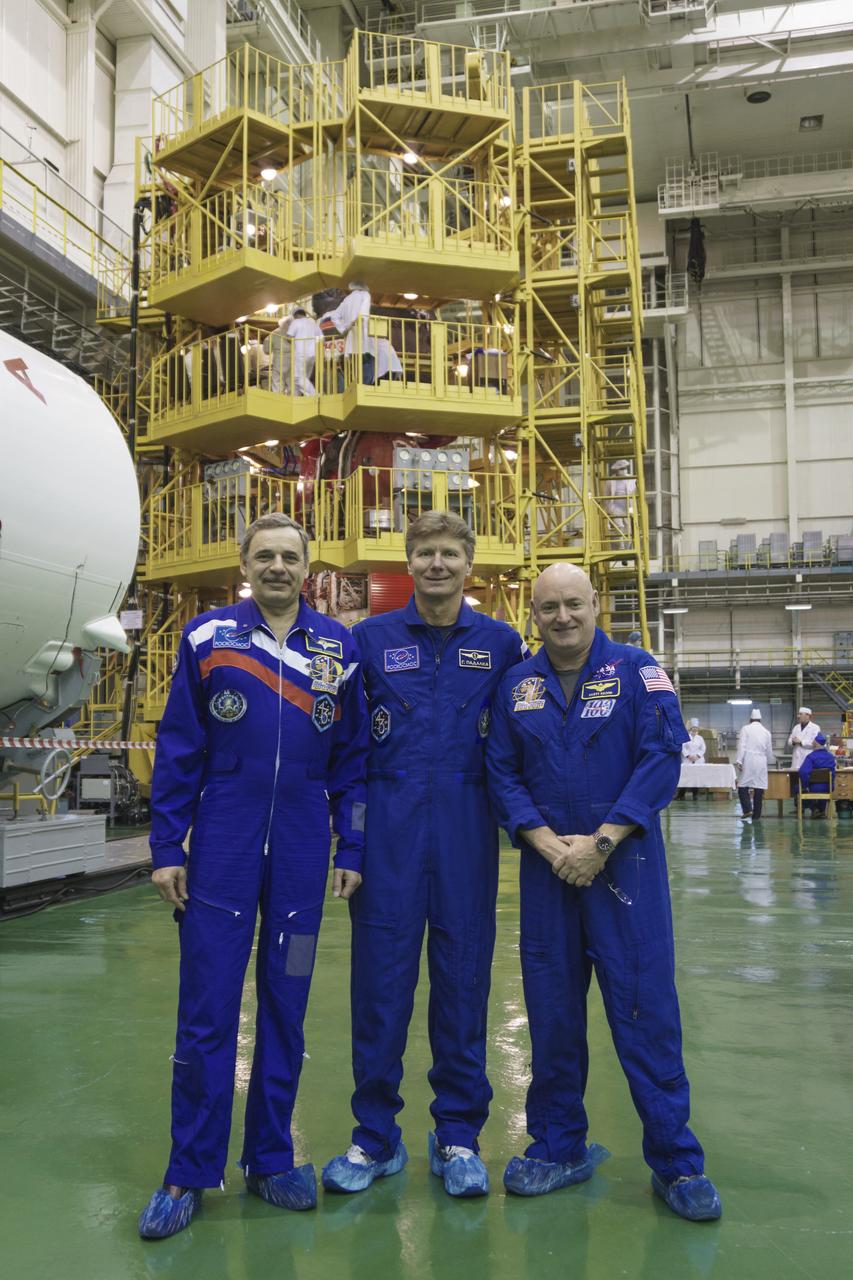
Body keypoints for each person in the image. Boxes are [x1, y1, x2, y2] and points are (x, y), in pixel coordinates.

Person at [138, 513, 368, 1239]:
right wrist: (167, 846)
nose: (277, 567)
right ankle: (187, 1171)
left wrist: (352, 846)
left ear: (308, 567)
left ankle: (270, 1159)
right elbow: (180, 748)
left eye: (289, 557)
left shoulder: (337, 647)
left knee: (286, 1005)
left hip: (302, 852)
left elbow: (353, 759)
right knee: (207, 1010)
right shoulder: (208, 638)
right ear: (244, 563)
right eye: (264, 555)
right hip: (222, 849)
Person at [485, 563, 721, 1222]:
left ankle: (676, 1163)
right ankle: (558, 1147)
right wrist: (547, 844)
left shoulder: (638, 673)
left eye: (573, 604)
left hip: (624, 871)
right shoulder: (517, 686)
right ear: (534, 615)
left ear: (595, 605)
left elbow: (660, 759)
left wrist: (601, 842)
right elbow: (501, 774)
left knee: (646, 1014)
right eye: (549, 608)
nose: (562, 617)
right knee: (552, 1016)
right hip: (548, 873)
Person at [322, 510, 528, 1199]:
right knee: (379, 991)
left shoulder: (500, 644)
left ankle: (458, 1135)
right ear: (407, 561)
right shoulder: (370, 640)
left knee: (463, 986)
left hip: (467, 832)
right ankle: (375, 1138)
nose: (437, 564)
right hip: (389, 833)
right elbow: (348, 752)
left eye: (449, 553)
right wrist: (350, 840)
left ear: (469, 564)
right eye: (425, 553)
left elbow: (517, 745)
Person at [323, 282, 402, 386]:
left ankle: (359, 386)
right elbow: (363, 315)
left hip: (351, 343)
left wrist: (344, 329)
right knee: (368, 367)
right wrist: (358, 322)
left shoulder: (347, 300)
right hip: (363, 339)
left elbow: (334, 316)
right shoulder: (365, 295)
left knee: (357, 369)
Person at [735, 708, 774, 824]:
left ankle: (747, 809)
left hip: (748, 759)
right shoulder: (767, 732)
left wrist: (739, 760)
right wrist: (768, 762)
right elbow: (769, 751)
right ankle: (756, 815)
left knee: (742, 786)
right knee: (759, 787)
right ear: (760, 720)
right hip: (761, 760)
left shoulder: (745, 729)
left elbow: (742, 746)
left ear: (750, 719)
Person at [787, 707, 821, 811]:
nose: (798, 716)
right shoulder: (796, 727)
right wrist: (793, 742)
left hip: (808, 759)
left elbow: (815, 743)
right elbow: (789, 740)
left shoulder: (815, 728)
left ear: (808, 715)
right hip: (797, 759)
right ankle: (798, 808)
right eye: (798, 714)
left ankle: (813, 808)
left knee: (808, 783)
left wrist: (801, 742)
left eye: (800, 714)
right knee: (796, 782)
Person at [284, 307, 323, 396]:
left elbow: (289, 337)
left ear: (295, 315)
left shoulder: (296, 322)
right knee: (304, 378)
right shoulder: (313, 323)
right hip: (312, 354)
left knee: (298, 377)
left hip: (300, 354)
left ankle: (315, 396)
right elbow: (321, 338)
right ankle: (296, 397)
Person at [798, 732, 836, 818]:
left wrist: (805, 785)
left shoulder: (811, 757)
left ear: (815, 744)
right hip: (828, 787)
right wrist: (831, 785)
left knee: (798, 788)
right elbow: (833, 773)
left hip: (813, 787)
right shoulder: (830, 757)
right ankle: (821, 810)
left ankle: (814, 808)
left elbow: (803, 772)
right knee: (823, 790)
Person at [602, 458, 636, 550]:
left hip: (627, 506)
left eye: (625, 468)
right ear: (617, 470)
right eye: (622, 469)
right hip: (615, 506)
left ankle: (627, 546)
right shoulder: (610, 481)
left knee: (628, 528)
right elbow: (606, 495)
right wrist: (608, 508)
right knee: (619, 526)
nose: (624, 470)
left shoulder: (631, 479)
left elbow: (634, 492)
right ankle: (621, 546)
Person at [678, 717, 705, 800]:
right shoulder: (685, 737)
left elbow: (703, 748)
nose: (695, 729)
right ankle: (681, 795)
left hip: (698, 760)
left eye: (696, 728)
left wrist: (697, 756)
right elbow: (683, 747)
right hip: (687, 760)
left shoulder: (700, 738)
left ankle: (695, 795)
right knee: (685, 777)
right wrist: (688, 756)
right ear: (690, 728)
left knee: (696, 778)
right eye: (693, 727)